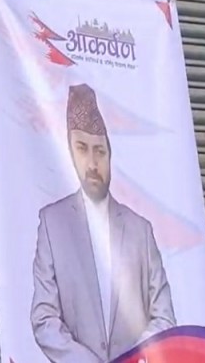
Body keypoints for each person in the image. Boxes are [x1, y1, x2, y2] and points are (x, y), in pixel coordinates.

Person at [30, 83, 176, 363]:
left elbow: (164, 316)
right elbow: (44, 318)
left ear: (110, 155)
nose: (92, 164)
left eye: (100, 151)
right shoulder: (52, 224)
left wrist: (134, 359)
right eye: (82, 149)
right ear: (70, 152)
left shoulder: (140, 230)